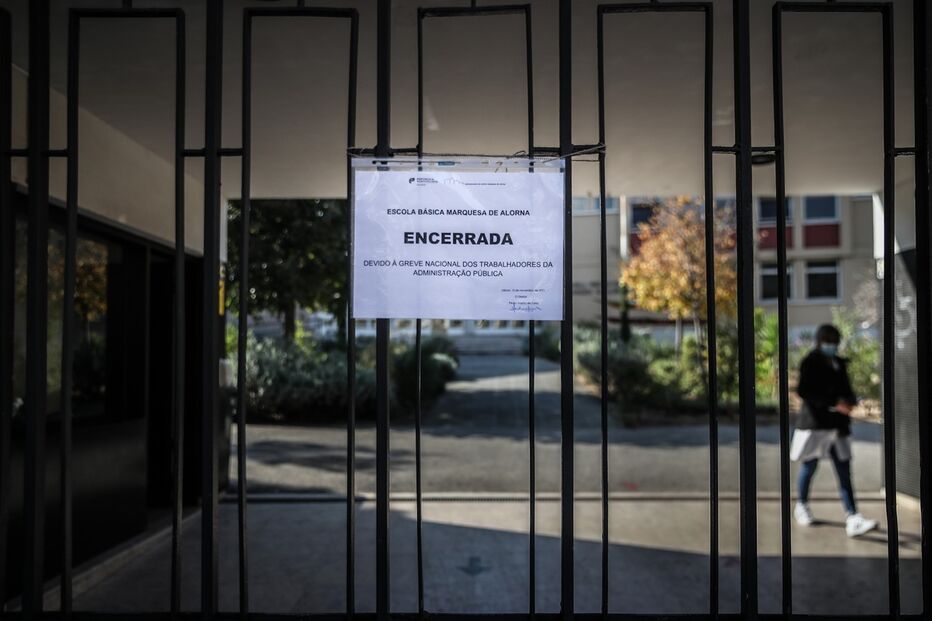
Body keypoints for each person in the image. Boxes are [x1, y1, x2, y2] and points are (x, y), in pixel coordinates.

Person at [791, 323, 878, 537]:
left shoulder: (839, 363)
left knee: (844, 471)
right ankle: (801, 505)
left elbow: (847, 390)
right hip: (817, 425)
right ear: (820, 341)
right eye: (827, 341)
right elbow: (804, 391)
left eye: (833, 342)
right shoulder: (810, 362)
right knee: (809, 466)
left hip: (838, 427)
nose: (831, 345)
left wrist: (850, 403)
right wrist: (834, 403)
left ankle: (853, 516)